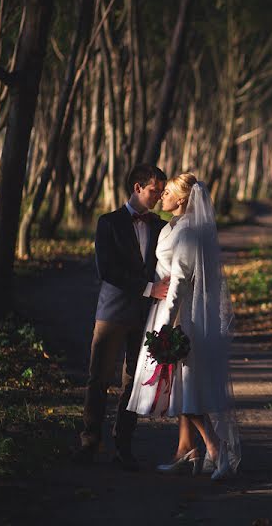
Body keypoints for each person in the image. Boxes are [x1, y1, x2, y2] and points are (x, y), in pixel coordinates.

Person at [128, 173, 240, 480]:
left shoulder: (189, 232)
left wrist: (165, 327)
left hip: (180, 316)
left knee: (184, 387)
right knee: (179, 386)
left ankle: (216, 449)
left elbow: (179, 281)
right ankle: (186, 450)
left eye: (168, 193)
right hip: (165, 309)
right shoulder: (171, 226)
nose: (162, 196)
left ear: (182, 199)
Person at [73, 164, 170, 469]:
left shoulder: (158, 225)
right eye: (155, 189)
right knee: (98, 377)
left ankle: (123, 446)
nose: (158, 196)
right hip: (113, 312)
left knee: (134, 381)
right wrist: (148, 289)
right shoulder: (109, 222)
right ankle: (89, 442)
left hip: (146, 316)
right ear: (138, 187)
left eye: (161, 190)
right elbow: (107, 270)